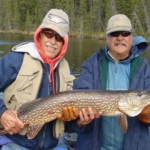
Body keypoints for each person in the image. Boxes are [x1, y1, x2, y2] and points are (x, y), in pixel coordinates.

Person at [0, 8, 100, 150]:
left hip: (51, 146)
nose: (52, 41)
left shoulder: (67, 73)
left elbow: (70, 126)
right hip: (14, 143)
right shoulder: (16, 60)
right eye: (48, 34)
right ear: (40, 35)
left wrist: (79, 122)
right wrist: (2, 113)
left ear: (64, 42)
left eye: (58, 37)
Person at [74, 14, 150, 150]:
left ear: (131, 37)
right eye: (115, 33)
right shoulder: (92, 64)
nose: (120, 37)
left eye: (125, 33)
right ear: (107, 38)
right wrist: (80, 121)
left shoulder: (144, 68)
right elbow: (78, 99)